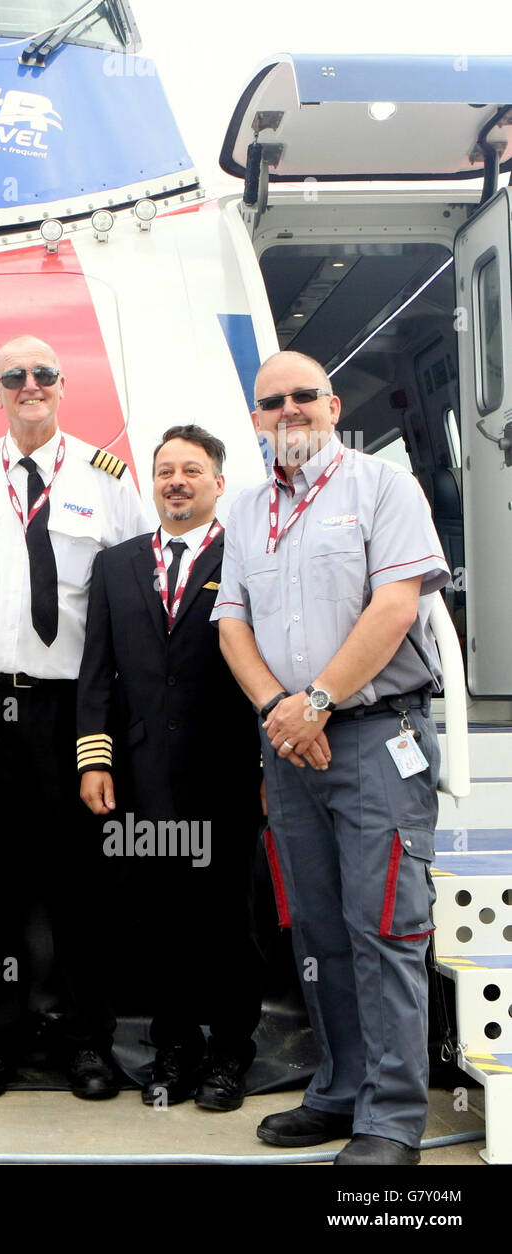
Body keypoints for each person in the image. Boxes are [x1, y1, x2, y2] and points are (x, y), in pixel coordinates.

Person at [212, 350, 450, 1166]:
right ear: (255, 418)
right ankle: (341, 1089)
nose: (289, 411)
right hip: (288, 746)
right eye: (271, 401)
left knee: (384, 925)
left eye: (303, 397)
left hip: (375, 736)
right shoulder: (242, 509)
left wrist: (315, 702)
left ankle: (390, 1120)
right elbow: (232, 626)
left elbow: (394, 607)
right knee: (314, 925)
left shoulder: (383, 488)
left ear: (332, 404)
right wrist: (281, 712)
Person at [0, 334, 150, 1099]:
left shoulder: (108, 477)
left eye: (44, 375)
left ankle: (87, 1043)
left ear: (63, 386)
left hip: (71, 708)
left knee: (81, 884)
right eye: (15, 376)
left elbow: (129, 601)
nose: (31, 385)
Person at [76, 424, 263, 1111]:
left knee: (227, 919)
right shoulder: (116, 564)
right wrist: (94, 760)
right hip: (144, 773)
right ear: (150, 483)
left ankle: (229, 1053)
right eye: (164, 471)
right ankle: (175, 1048)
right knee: (160, 916)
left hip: (226, 770)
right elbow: (96, 671)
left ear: (218, 482)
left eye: (191, 470)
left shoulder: (246, 555)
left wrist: (271, 765)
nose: (176, 481)